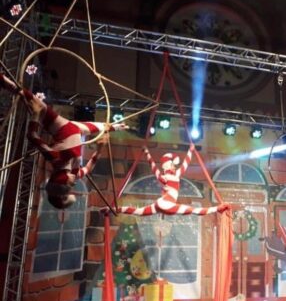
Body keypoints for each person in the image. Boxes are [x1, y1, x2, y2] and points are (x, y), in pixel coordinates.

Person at [0, 72, 128, 209]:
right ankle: (118, 126)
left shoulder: (56, 159)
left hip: (61, 127)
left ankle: (3, 80)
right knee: (110, 127)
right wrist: (100, 148)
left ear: (61, 181)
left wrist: (36, 114)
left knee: (33, 100)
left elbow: (32, 136)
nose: (73, 183)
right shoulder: (75, 173)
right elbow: (89, 168)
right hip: (78, 129)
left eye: (69, 185)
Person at [111, 144, 229, 216]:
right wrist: (190, 151)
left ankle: (112, 209)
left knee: (139, 212)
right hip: (166, 204)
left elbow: (154, 165)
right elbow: (183, 164)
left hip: (163, 204)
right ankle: (217, 209)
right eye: (172, 165)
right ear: (168, 166)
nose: (174, 167)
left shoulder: (167, 176)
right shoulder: (172, 176)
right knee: (194, 210)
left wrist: (147, 152)